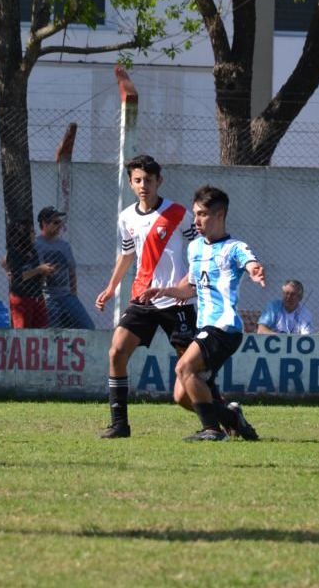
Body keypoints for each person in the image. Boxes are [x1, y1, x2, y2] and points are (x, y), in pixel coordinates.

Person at [141, 185, 265, 441]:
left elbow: (250, 262)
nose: (196, 220)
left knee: (184, 368)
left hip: (224, 327)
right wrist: (163, 291)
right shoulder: (195, 248)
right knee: (183, 395)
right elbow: (191, 287)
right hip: (205, 327)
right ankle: (232, 419)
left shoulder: (234, 248)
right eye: (195, 214)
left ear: (220, 216)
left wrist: (255, 270)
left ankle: (212, 431)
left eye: (202, 215)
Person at [94, 154, 199, 439]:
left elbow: (199, 250)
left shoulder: (178, 214)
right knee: (116, 350)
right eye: (138, 180)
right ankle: (119, 424)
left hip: (177, 300)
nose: (143, 186)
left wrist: (186, 284)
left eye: (148, 181)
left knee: (190, 368)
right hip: (143, 298)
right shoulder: (126, 217)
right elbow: (128, 254)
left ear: (159, 181)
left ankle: (221, 415)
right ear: (130, 183)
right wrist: (111, 287)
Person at [34, 206, 95, 330]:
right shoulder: (35, 244)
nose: (60, 225)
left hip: (66, 295)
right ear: (44, 224)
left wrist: (73, 293)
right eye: (55, 222)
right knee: (53, 331)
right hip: (47, 297)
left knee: (88, 326)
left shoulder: (64, 245)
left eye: (60, 222)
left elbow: (71, 271)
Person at [4, 219, 55, 329]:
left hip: (36, 296)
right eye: (32, 232)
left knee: (42, 330)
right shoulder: (14, 253)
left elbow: (36, 272)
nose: (34, 234)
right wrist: (39, 269)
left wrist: (46, 271)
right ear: (23, 234)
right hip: (22, 298)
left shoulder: (32, 251)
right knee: (24, 333)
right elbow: (18, 277)